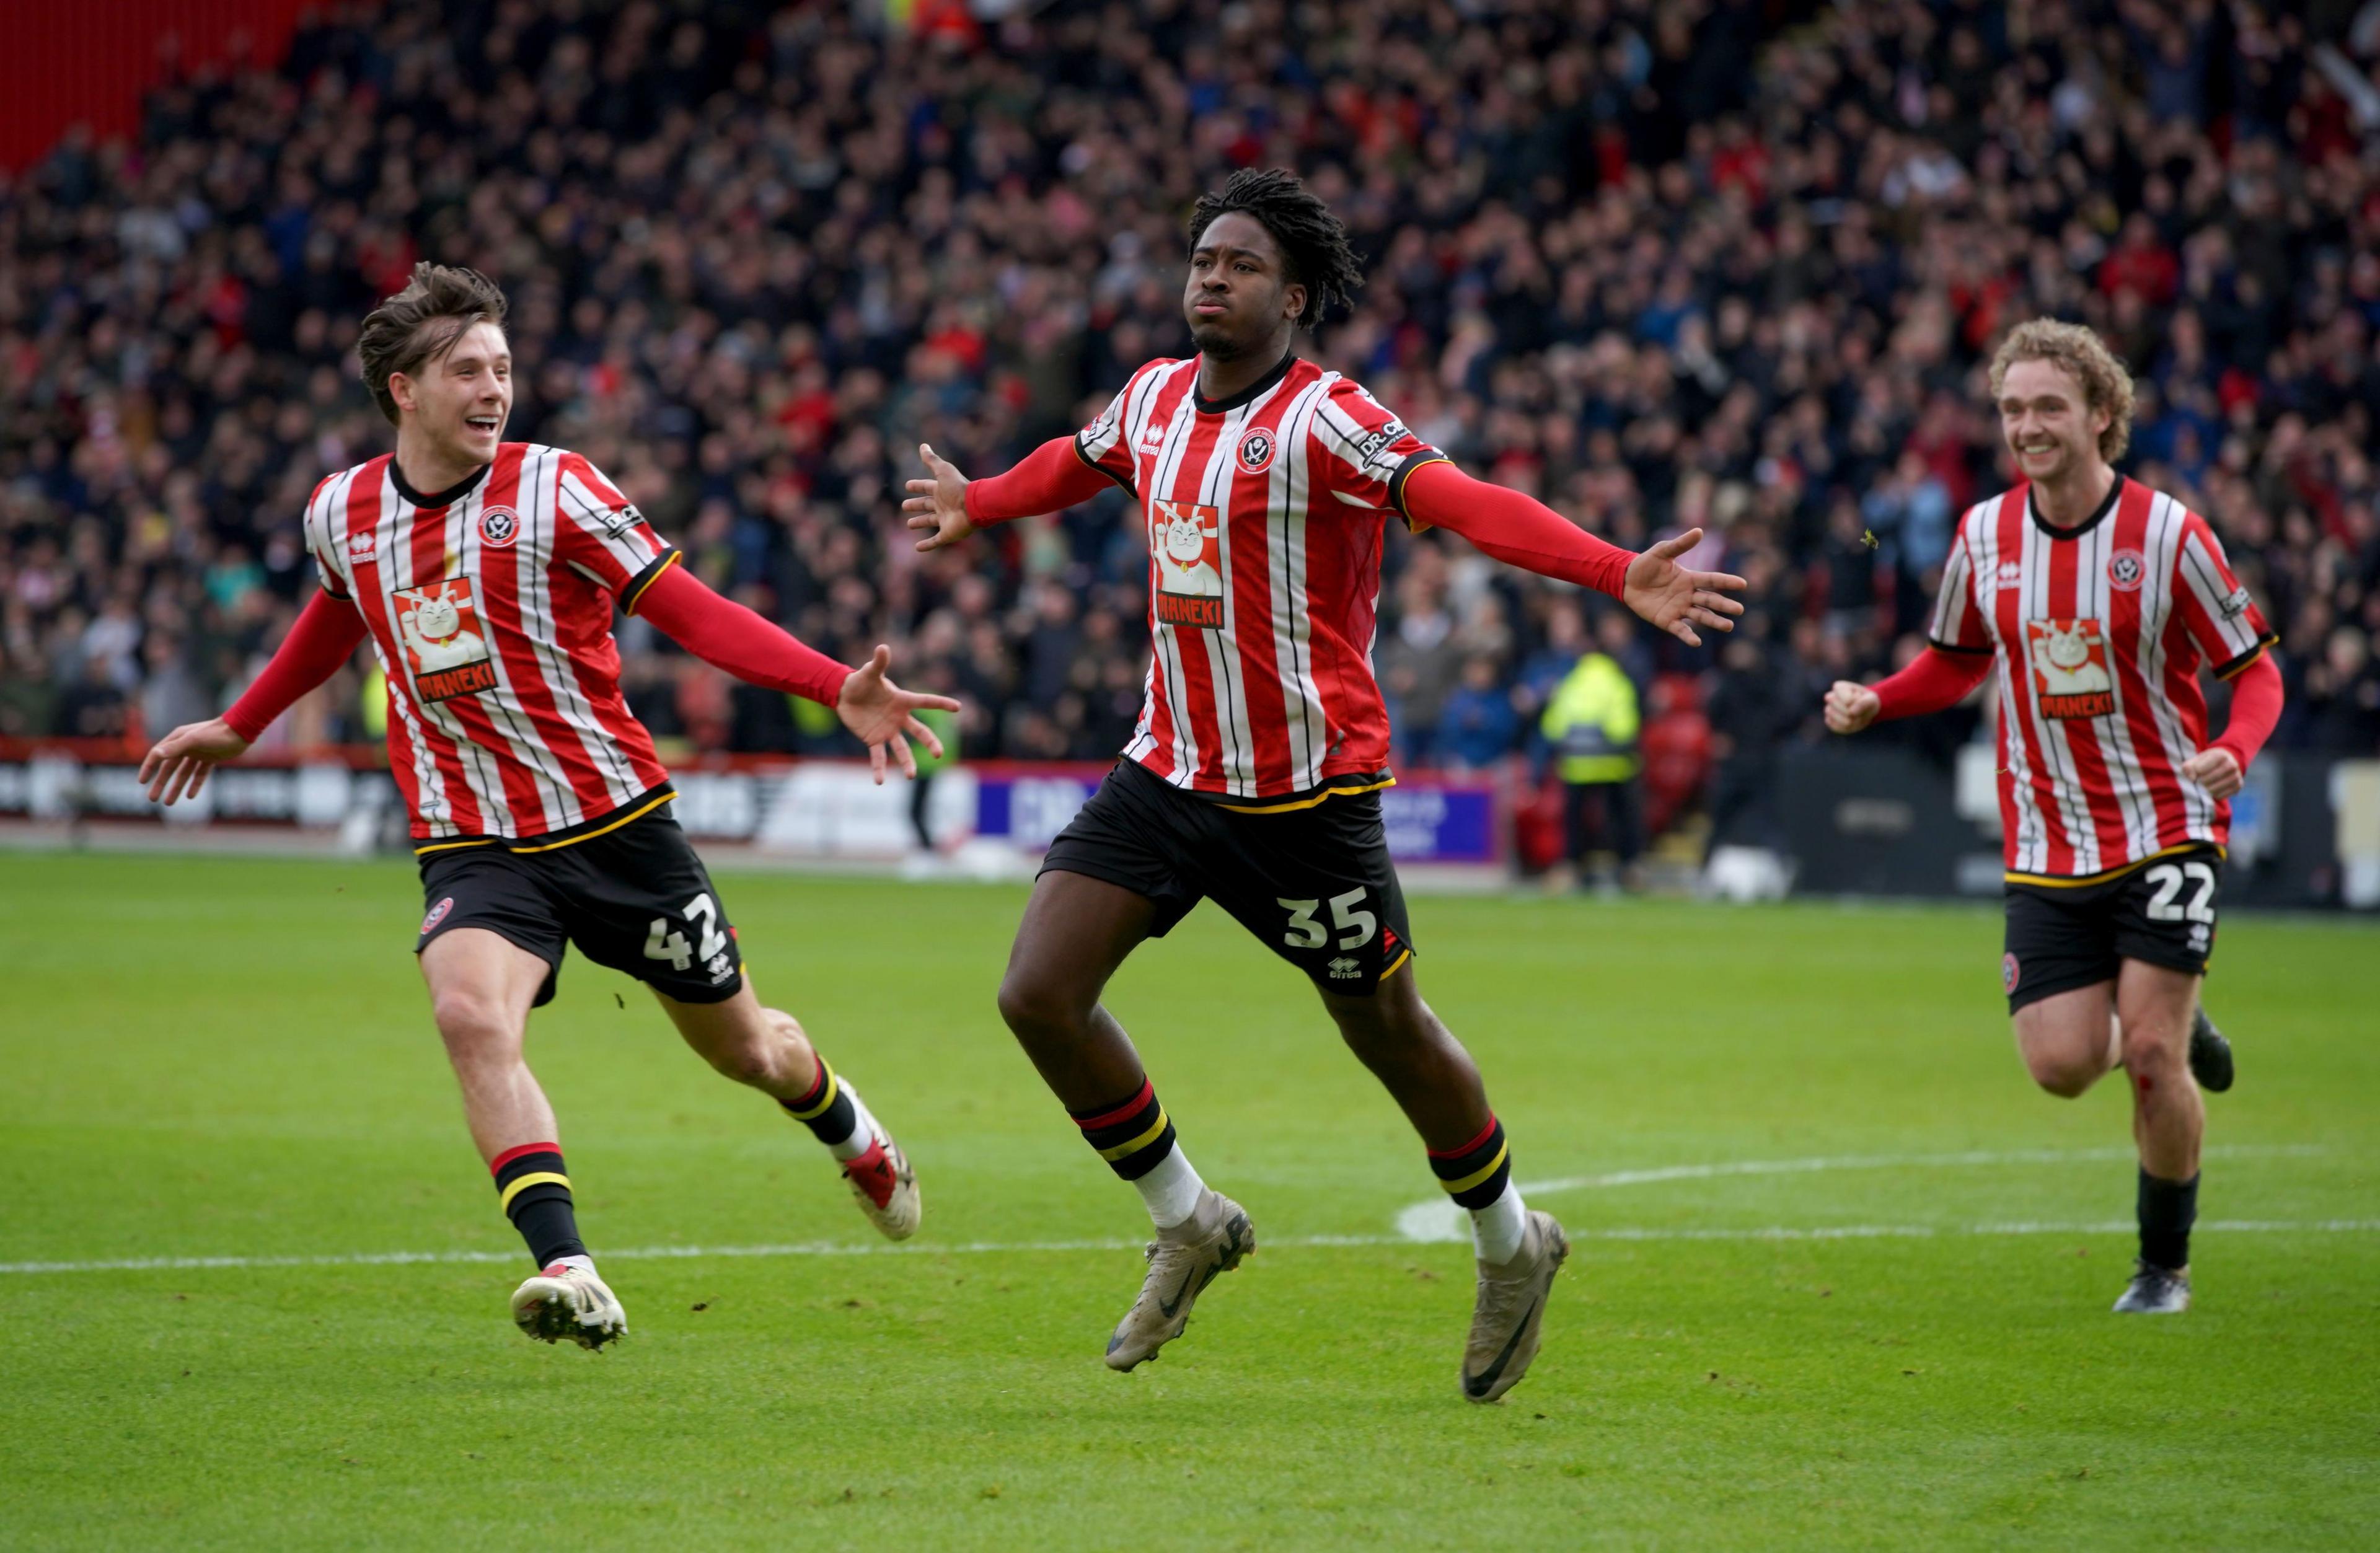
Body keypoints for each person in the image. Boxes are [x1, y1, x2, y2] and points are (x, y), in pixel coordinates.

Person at [903, 169, 1746, 1401]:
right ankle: (1188, 1217)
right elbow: (1075, 463)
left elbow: (1465, 503)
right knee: (1037, 991)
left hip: (1305, 800)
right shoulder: (1149, 399)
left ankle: (1516, 1240)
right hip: (1168, 771)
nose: (1210, 278)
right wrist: (980, 501)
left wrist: (1617, 570)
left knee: (1385, 1027)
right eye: (1201, 261)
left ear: (1292, 297)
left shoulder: (1329, 420)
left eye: (1239, 265)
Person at [139, 263, 956, 1350]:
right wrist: (241, 724)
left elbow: (692, 610)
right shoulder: (342, 512)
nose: (494, 389)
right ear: (403, 391)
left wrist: (829, 684)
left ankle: (849, 1127)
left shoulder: (557, 491)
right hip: (474, 837)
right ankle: (570, 1268)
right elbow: (339, 618)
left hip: (617, 827)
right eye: (467, 370)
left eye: (503, 369)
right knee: (470, 1015)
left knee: (748, 1049)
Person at [1824, 319, 2283, 1316]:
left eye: (2048, 407)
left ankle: (2163, 1267)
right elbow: (1955, 658)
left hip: (2165, 823)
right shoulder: (1984, 534)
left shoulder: (2169, 534)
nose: (2028, 426)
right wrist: (1879, 697)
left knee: (2152, 1061)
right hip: (2046, 838)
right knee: (2063, 1065)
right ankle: (2179, 1009)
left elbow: (2256, 674)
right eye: (2013, 409)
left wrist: (2234, 752)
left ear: (2101, 415)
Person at [1540, 622, 1644, 890]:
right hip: (1613, 764)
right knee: (1621, 817)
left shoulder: (1571, 683)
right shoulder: (1617, 682)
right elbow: (1625, 728)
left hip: (1577, 764)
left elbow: (1552, 726)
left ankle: (1572, 868)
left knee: (1575, 821)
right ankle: (1628, 868)